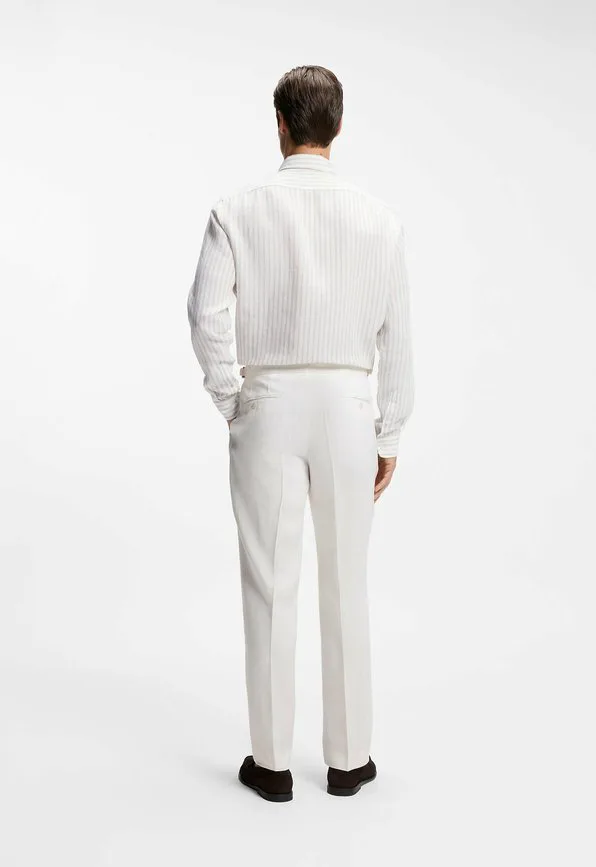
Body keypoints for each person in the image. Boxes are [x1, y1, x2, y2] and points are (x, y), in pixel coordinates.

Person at [187, 65, 415, 802]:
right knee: (348, 583)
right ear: (337, 127)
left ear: (280, 125)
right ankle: (349, 760)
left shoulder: (236, 211)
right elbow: (397, 336)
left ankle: (272, 763)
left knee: (269, 583)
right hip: (349, 405)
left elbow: (205, 314)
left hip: (269, 399)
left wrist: (234, 400)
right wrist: (389, 433)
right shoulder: (380, 220)